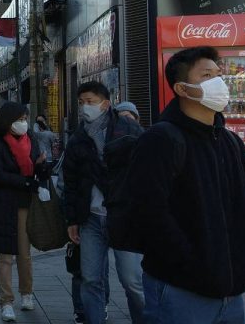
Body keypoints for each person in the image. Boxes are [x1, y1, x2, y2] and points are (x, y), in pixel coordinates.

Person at [127, 47, 245, 324]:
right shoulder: (161, 139)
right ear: (183, 89)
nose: (219, 82)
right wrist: (189, 262)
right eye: (207, 75)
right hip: (180, 291)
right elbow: (148, 212)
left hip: (232, 291)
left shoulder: (230, 142)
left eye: (218, 74)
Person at [63, 81, 146, 324]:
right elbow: (71, 182)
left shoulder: (127, 129)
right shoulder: (78, 138)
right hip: (90, 219)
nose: (85, 108)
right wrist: (72, 220)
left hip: (124, 217)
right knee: (90, 279)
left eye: (90, 102)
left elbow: (146, 172)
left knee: (132, 280)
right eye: (81, 103)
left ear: (105, 104)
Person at [0, 101, 49, 322]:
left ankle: (27, 293)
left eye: (24, 118)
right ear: (7, 121)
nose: (23, 123)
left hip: (24, 202)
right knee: (5, 255)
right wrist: (28, 183)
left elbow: (37, 170)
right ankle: (6, 301)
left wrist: (42, 167)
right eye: (19, 119)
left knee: (24, 252)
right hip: (2, 203)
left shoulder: (31, 140)